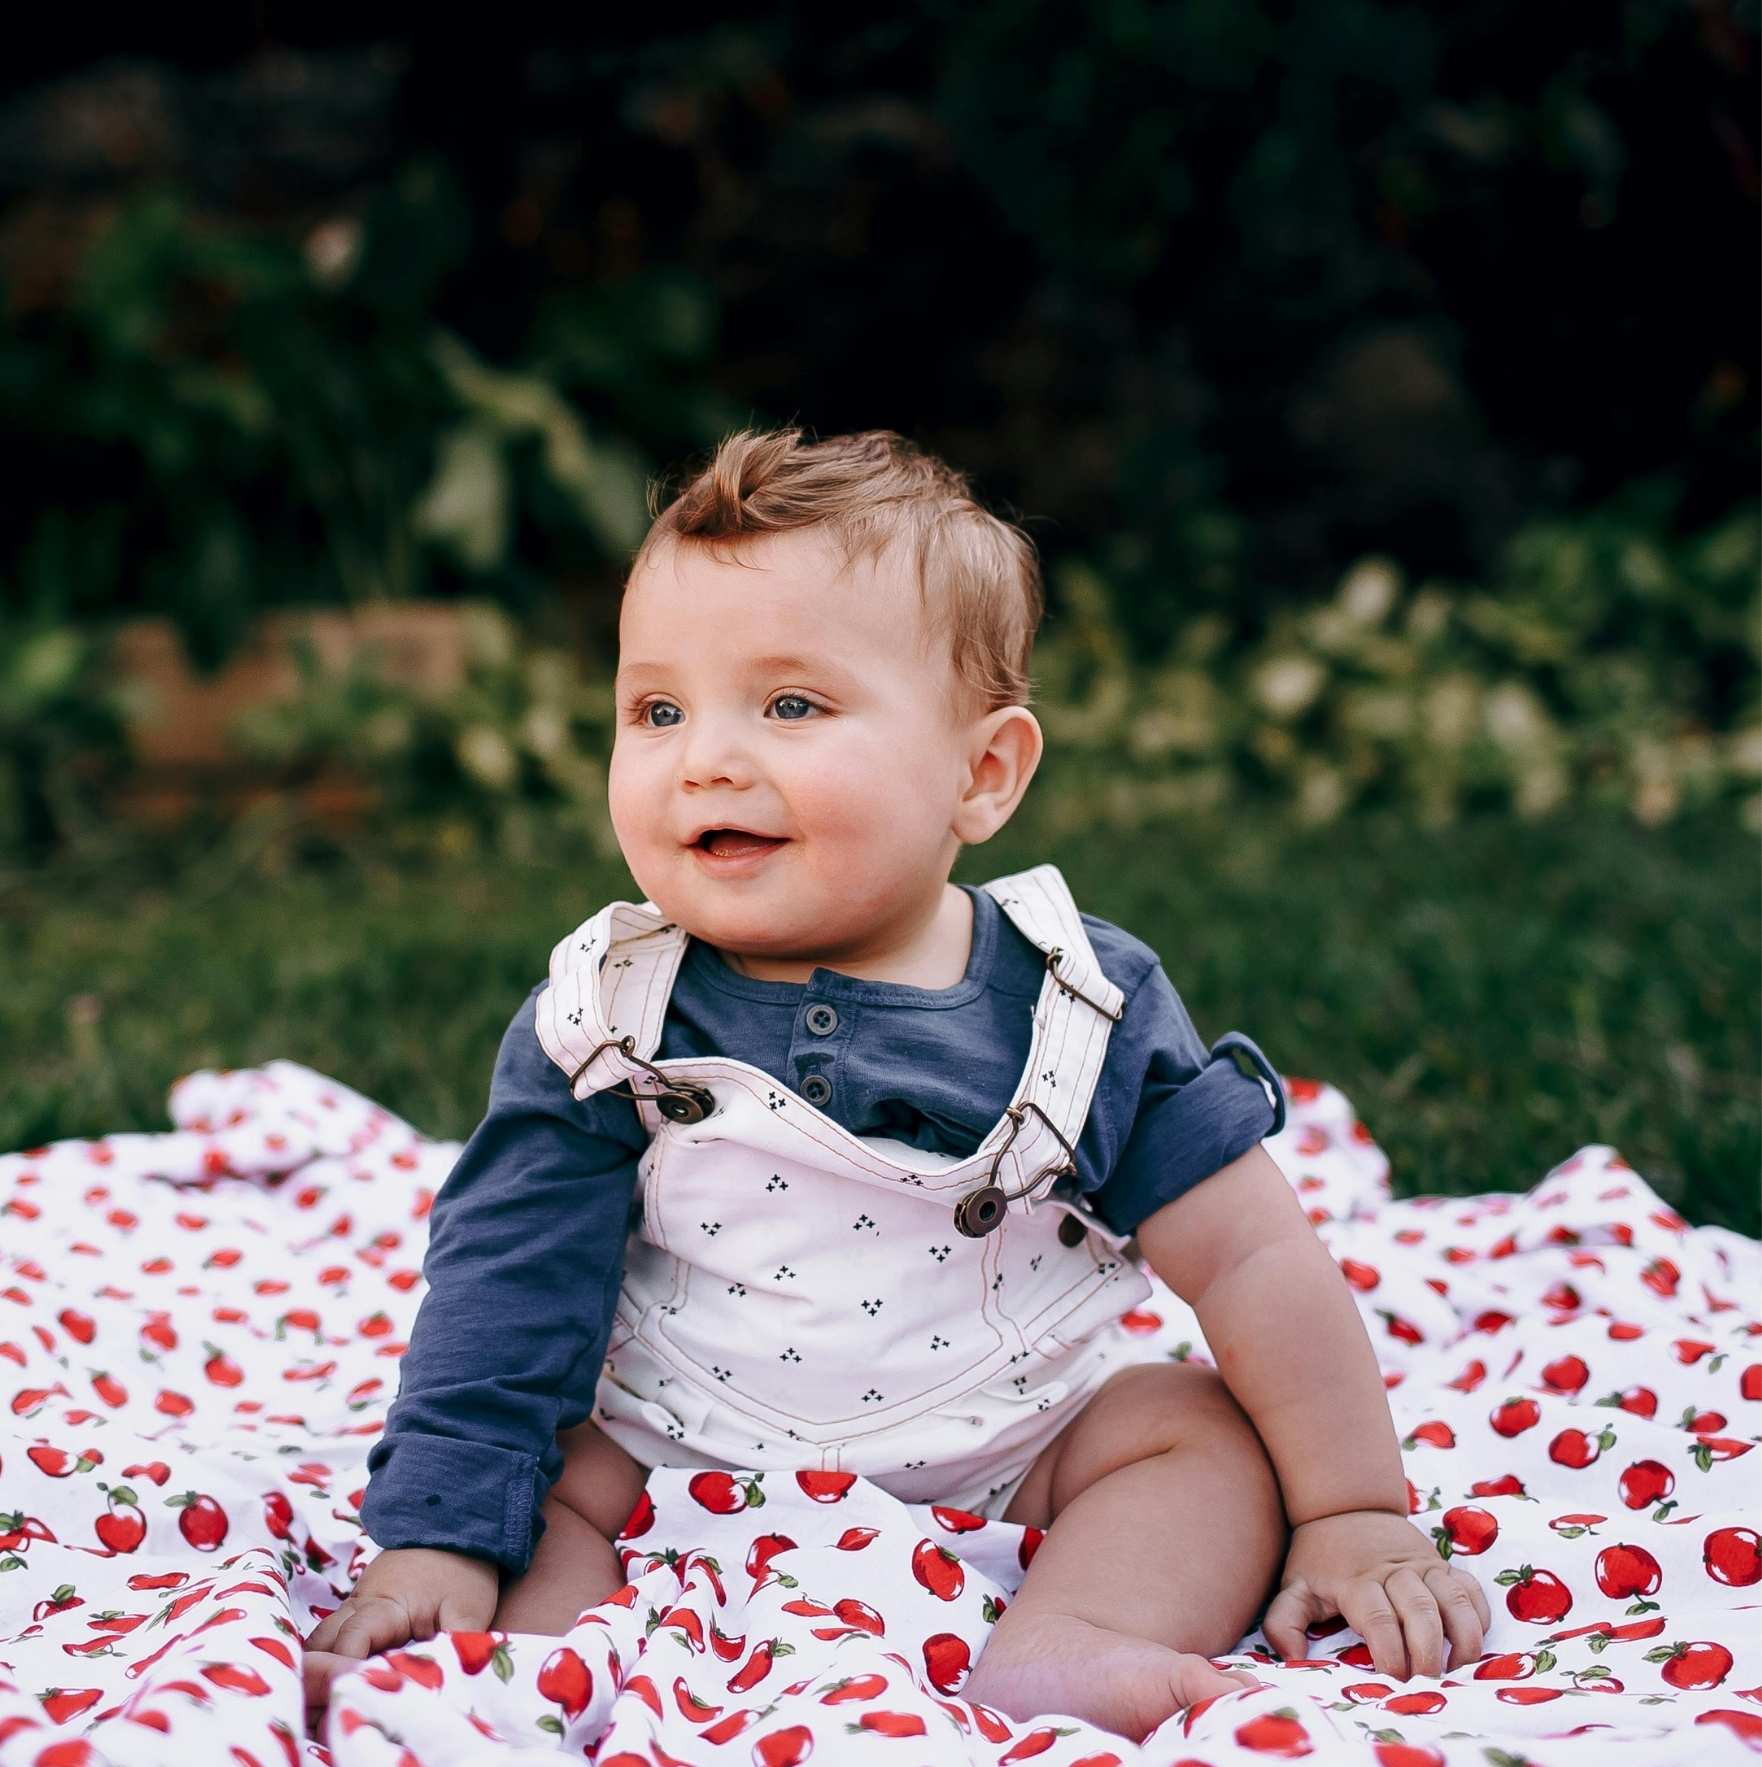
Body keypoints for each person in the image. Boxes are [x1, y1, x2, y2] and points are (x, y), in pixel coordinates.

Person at [302, 427, 1488, 1743]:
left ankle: (1075, 1636)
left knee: (1196, 1434)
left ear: (981, 774)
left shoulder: (1077, 1007)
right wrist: (437, 1537)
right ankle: (544, 1664)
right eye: (657, 710)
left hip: (1011, 1437)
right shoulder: (605, 1015)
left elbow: (1254, 1258)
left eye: (790, 705)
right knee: (547, 1467)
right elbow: (508, 1280)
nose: (702, 759)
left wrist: (1353, 1511)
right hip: (681, 1438)